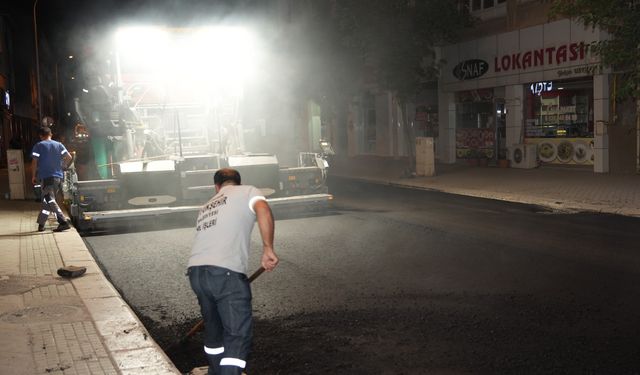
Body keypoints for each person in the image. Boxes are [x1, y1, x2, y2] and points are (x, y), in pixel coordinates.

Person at [187, 168, 278, 375]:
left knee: (214, 330)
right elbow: (263, 209)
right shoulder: (247, 191)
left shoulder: (206, 205)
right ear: (238, 182)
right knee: (237, 334)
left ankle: (215, 371)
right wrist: (267, 248)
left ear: (216, 187)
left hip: (196, 273)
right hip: (225, 273)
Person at [31, 126, 72, 232]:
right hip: (58, 177)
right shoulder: (59, 145)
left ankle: (63, 222)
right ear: (51, 134)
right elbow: (69, 157)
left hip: (46, 177)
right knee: (47, 201)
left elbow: (34, 162)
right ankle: (41, 224)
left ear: (41, 136)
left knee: (49, 199)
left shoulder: (39, 145)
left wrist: (33, 176)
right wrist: (63, 167)